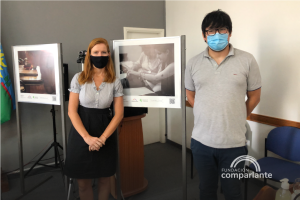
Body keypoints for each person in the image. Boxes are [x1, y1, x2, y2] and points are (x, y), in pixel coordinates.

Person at [185, 10, 261, 200]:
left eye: (222, 30)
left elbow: (255, 96)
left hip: (234, 144)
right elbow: (190, 94)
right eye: (211, 31)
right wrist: (207, 112)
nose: (217, 34)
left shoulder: (247, 60)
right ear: (204, 35)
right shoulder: (193, 63)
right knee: (206, 190)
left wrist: (236, 115)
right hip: (201, 143)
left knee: (232, 192)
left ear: (230, 32)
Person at [64, 38, 124, 200]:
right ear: (89, 55)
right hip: (81, 132)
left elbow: (119, 114)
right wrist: (88, 138)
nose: (100, 55)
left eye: (104, 52)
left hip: (106, 131)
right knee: (83, 183)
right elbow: (72, 111)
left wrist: (102, 138)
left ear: (108, 55)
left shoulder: (115, 82)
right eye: (96, 52)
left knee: (105, 178)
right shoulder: (79, 78)